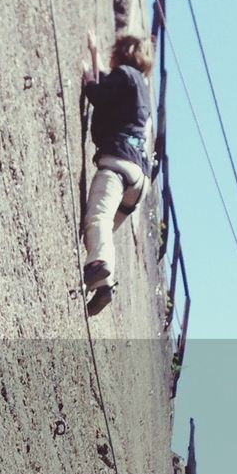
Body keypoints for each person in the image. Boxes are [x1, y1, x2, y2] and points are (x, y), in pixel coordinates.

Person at [80, 30, 155, 315]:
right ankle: (104, 284)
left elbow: (100, 93)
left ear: (121, 53)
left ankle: (101, 274)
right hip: (138, 180)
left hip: (117, 164)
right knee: (101, 235)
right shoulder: (141, 89)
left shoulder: (123, 74)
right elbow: (109, 86)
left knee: (96, 219)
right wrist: (94, 51)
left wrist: (88, 81)